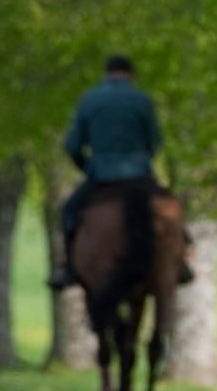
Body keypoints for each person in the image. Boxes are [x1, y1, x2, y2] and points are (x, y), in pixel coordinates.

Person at [55, 54, 190, 288]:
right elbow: (154, 142)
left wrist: (87, 166)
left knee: (68, 213)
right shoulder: (142, 100)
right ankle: (180, 262)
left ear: (106, 74)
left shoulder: (89, 100)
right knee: (172, 211)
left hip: (101, 176)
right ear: (131, 75)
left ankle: (68, 267)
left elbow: (72, 146)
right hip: (139, 174)